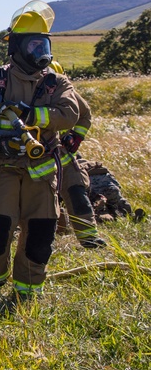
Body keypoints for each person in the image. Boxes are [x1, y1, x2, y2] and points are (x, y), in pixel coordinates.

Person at [0, 1, 81, 300]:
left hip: (41, 171)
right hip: (0, 167)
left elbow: (70, 113)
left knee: (41, 234)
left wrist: (32, 117)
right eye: (33, 44)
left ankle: (27, 290)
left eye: (43, 43)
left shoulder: (56, 82)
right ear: (17, 46)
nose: (40, 51)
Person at [48, 61, 106, 249]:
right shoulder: (23, 87)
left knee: (76, 192)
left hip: (63, 157)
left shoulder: (66, 90)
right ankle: (43, 239)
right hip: (35, 158)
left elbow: (85, 113)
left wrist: (76, 136)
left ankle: (89, 237)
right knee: (40, 203)